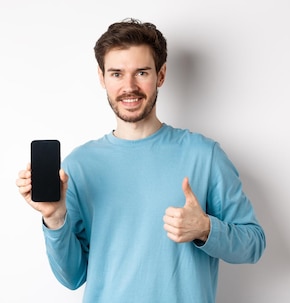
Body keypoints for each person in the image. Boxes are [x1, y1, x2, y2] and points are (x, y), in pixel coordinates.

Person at [15, 18, 266, 302]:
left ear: (161, 75)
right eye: (117, 73)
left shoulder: (204, 155)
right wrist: (54, 217)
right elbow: (71, 277)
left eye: (142, 72)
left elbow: (254, 244)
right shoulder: (79, 166)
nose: (129, 86)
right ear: (102, 78)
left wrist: (206, 228)